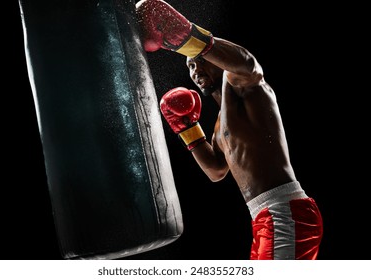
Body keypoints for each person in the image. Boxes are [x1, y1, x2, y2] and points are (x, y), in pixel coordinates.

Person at [136, 0, 323, 260]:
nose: (196, 69)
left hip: (285, 210)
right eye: (190, 66)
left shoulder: (246, 88)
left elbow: (248, 64)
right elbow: (216, 171)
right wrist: (187, 128)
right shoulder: (219, 124)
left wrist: (187, 35)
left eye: (200, 60)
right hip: (263, 217)